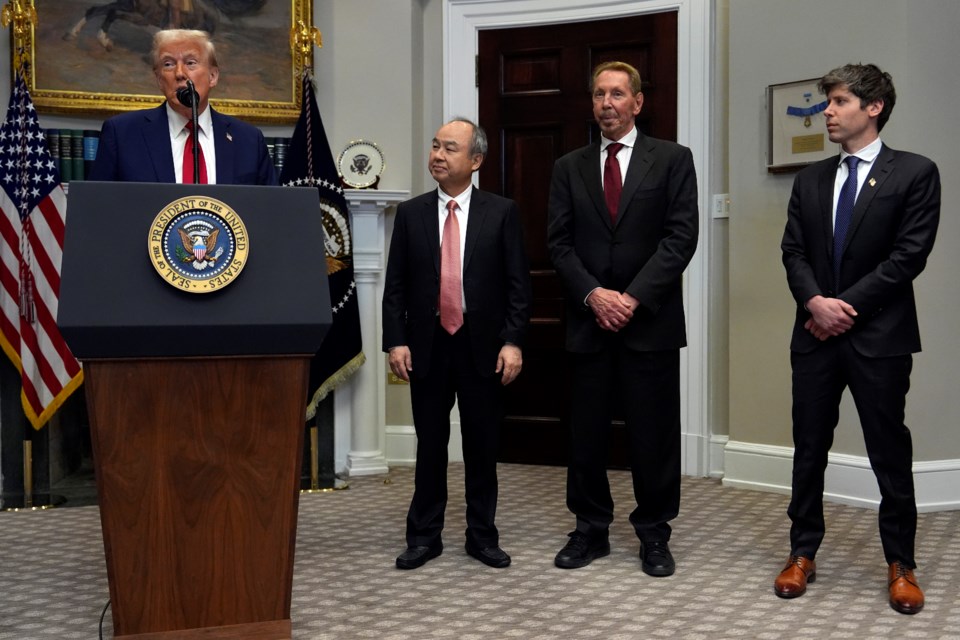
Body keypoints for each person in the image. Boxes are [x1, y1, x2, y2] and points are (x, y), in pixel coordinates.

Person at [777, 63, 939, 615]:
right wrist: (815, 304)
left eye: (839, 101)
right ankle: (802, 553)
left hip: (881, 339)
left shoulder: (915, 173)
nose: (827, 110)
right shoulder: (810, 179)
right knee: (808, 450)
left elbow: (909, 256)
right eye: (828, 102)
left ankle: (901, 563)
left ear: (873, 108)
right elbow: (793, 252)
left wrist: (843, 308)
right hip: (815, 337)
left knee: (889, 454)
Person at [546, 61, 699, 576]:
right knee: (585, 435)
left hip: (649, 322)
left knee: (653, 436)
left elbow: (681, 239)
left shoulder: (674, 160)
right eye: (598, 95)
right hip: (589, 321)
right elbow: (559, 243)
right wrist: (594, 295)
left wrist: (630, 299)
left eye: (616, 94)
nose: (606, 103)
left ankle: (655, 535)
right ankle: (589, 531)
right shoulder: (569, 166)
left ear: (637, 102)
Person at [382, 118, 531, 570]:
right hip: (427, 345)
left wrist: (513, 342)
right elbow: (396, 288)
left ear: (476, 160)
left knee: (482, 447)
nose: (438, 155)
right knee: (430, 445)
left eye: (450, 148)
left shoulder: (501, 212)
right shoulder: (411, 214)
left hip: (481, 346)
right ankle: (424, 537)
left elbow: (518, 286)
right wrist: (396, 341)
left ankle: (482, 536)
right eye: (434, 146)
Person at [89, 29, 277, 186]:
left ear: (213, 76)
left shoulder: (249, 140)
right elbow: (99, 210)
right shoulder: (122, 134)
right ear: (159, 80)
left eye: (190, 63)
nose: (180, 73)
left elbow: (269, 214)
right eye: (168, 64)